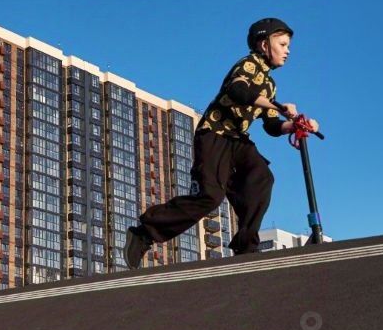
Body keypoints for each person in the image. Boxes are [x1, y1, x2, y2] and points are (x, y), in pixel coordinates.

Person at [124, 18, 319, 267]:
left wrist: (297, 125)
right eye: (282, 44)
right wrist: (278, 106)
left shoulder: (270, 85)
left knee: (261, 178)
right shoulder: (248, 65)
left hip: (238, 140)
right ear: (263, 44)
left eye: (288, 45)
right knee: (209, 197)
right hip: (214, 135)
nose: (287, 50)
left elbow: (271, 126)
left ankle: (246, 246)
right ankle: (144, 233)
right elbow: (238, 91)